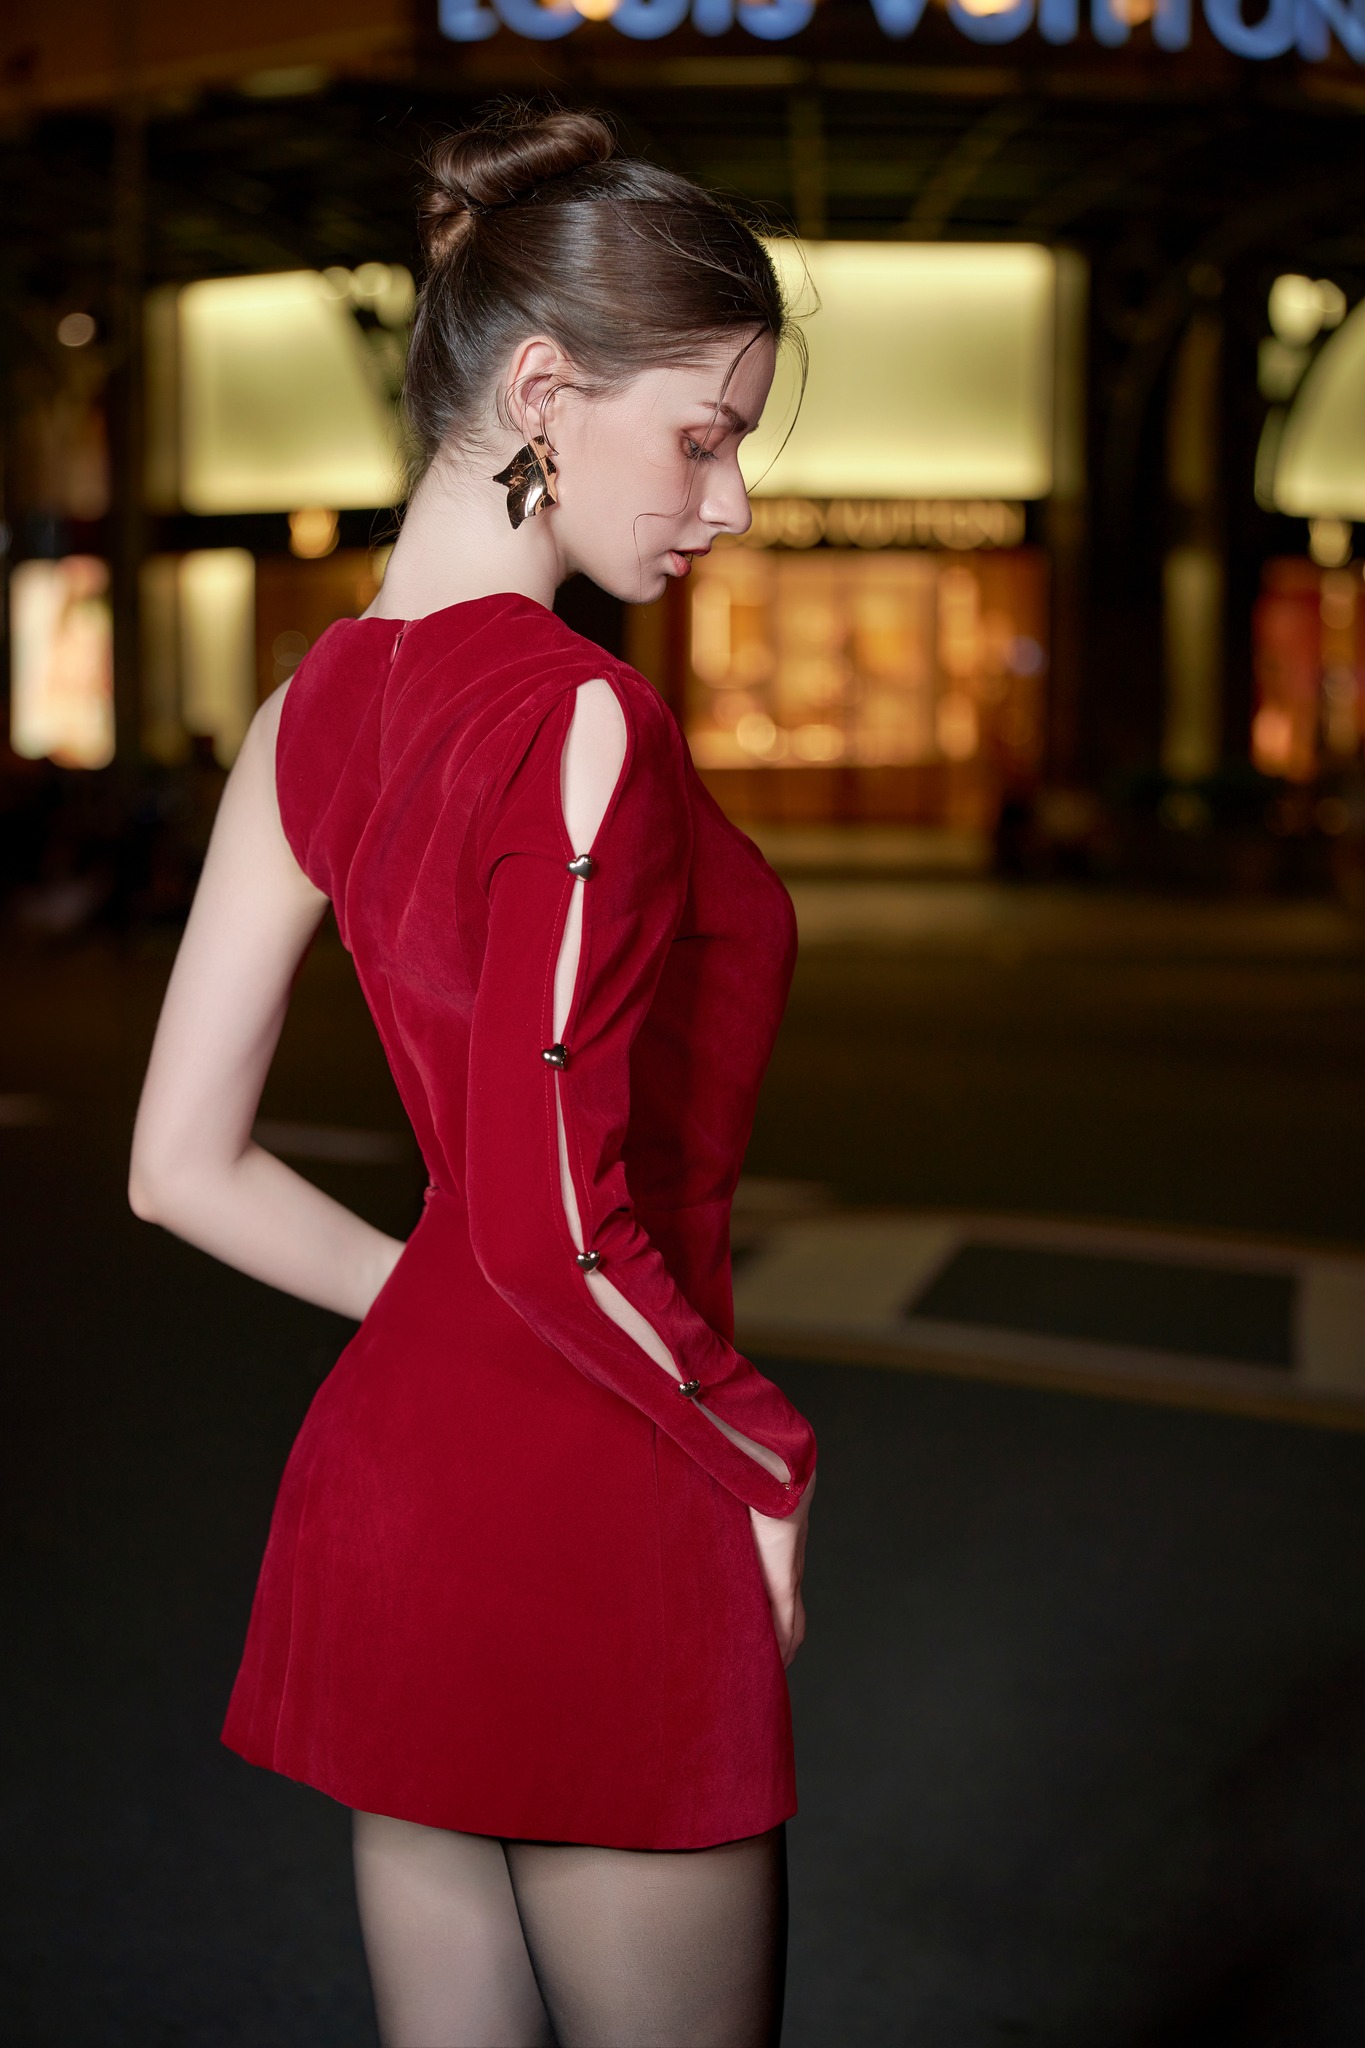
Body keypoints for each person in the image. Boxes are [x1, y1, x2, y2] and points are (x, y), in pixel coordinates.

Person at [128, 104, 817, 2048]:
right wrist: (765, 1456)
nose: (727, 501)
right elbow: (552, 1225)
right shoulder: (579, 716)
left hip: (398, 1494)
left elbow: (179, 1168)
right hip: (599, 1490)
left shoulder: (304, 707)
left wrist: (432, 1299)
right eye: (704, 433)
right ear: (540, 392)